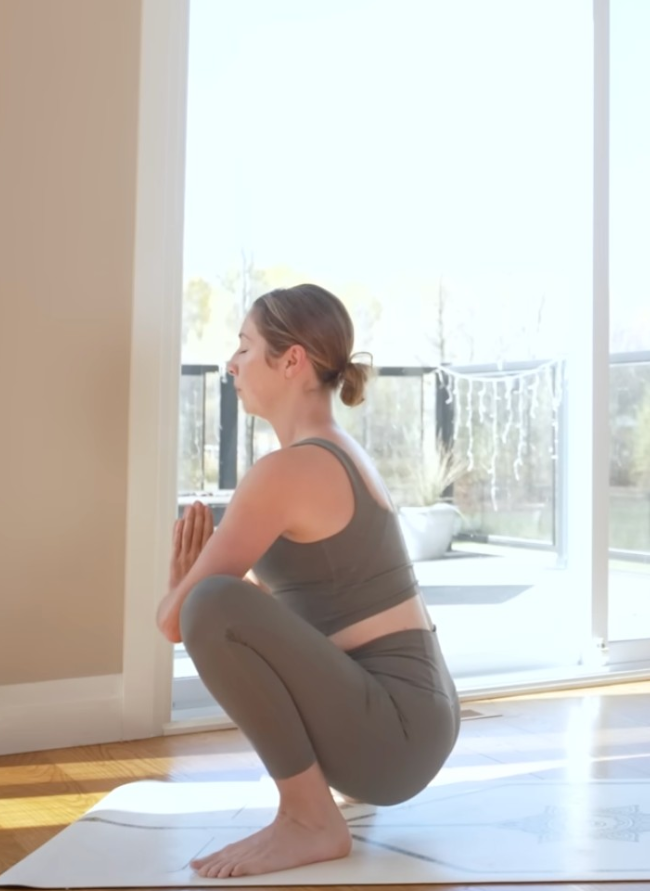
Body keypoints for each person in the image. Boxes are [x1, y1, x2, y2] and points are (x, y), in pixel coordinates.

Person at [156, 284, 459, 879]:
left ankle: (307, 818)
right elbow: (289, 622)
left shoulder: (287, 471)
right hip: (419, 720)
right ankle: (320, 803)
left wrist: (181, 581)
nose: (231, 363)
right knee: (220, 602)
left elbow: (178, 622)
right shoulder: (338, 452)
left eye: (245, 346)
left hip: (395, 733)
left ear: (292, 360)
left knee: (211, 603)